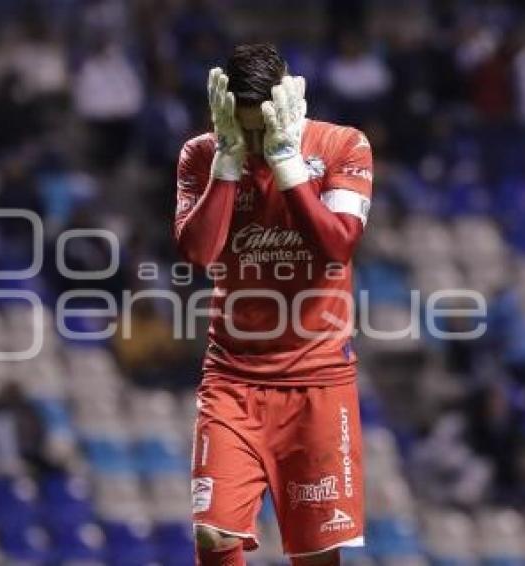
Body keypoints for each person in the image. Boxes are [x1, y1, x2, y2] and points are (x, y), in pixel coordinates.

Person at [174, 44, 373, 565]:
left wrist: (288, 164)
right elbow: (199, 252)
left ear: (288, 101)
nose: (257, 142)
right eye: (246, 131)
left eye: (263, 130)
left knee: (315, 556)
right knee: (214, 536)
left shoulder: (342, 146)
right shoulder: (202, 154)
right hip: (232, 378)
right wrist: (229, 161)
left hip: (318, 382)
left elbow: (337, 247)